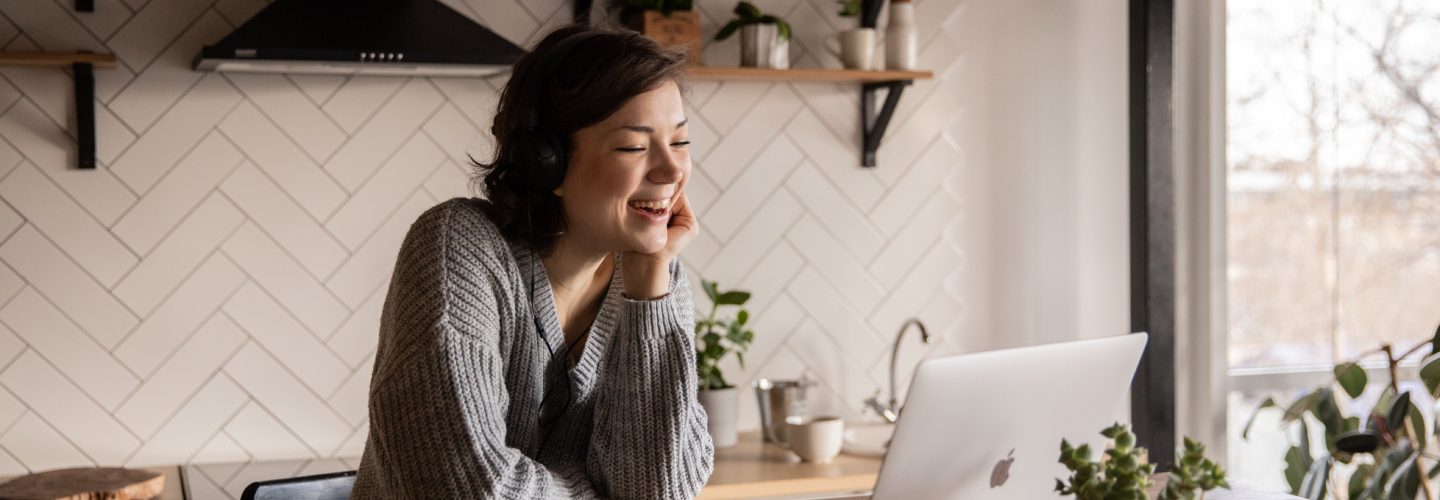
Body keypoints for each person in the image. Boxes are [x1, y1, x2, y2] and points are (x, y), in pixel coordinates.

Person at [350, 24, 715, 498]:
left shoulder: (658, 279)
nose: (671, 170)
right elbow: (469, 490)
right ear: (547, 164)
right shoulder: (458, 249)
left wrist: (649, 288)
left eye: (680, 142)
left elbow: (659, 489)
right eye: (634, 147)